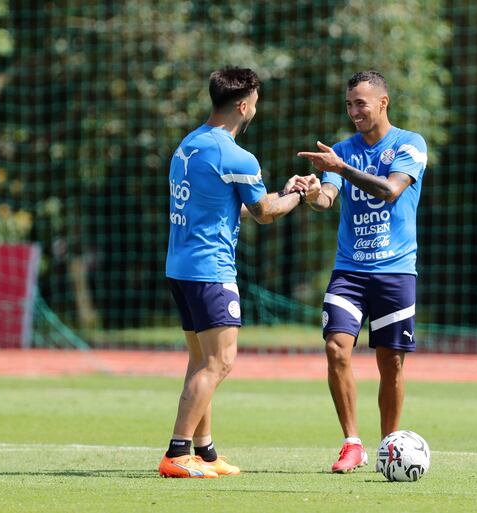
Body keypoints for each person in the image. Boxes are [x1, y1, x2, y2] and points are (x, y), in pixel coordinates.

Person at [160, 66, 320, 478]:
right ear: (244, 106)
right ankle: (177, 454)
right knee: (220, 363)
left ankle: (205, 452)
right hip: (210, 270)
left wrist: (283, 192)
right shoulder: (236, 155)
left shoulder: (189, 145)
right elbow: (264, 213)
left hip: (181, 267)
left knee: (201, 363)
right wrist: (298, 195)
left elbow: (234, 207)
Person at [297, 70, 428, 473]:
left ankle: (390, 445)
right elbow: (327, 200)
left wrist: (341, 167)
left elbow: (390, 190)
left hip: (395, 272)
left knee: (391, 364)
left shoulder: (410, 144)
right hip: (349, 271)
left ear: (383, 102)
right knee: (337, 348)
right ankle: (352, 443)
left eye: (361, 103)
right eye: (349, 104)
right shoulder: (341, 150)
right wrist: (313, 190)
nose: (354, 111)